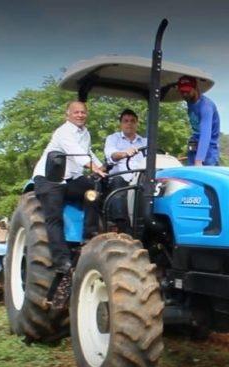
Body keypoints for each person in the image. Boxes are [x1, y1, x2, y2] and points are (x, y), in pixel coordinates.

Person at [31, 101, 106, 275]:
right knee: (54, 218)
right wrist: (93, 168)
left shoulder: (85, 132)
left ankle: (89, 235)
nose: (80, 115)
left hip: (70, 178)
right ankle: (61, 261)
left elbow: (87, 152)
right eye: (76, 112)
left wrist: (103, 167)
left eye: (83, 112)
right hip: (51, 177)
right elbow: (76, 152)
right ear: (68, 115)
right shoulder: (63, 132)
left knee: (93, 191)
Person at [103, 109, 147, 233]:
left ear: (137, 123)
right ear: (121, 124)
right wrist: (124, 153)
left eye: (132, 121)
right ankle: (123, 227)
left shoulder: (145, 142)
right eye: (126, 121)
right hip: (121, 177)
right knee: (118, 182)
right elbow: (111, 156)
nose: (129, 124)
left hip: (141, 179)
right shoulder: (113, 139)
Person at [178, 76, 221, 166]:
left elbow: (205, 134)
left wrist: (199, 160)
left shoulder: (206, 106)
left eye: (187, 91)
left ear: (195, 88)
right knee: (190, 172)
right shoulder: (189, 101)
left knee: (205, 174)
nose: (185, 94)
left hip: (208, 145)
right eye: (182, 92)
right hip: (194, 141)